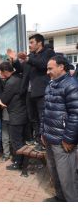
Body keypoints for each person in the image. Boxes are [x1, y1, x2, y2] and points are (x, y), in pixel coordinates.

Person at [7, 33, 56, 152]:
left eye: (31, 43)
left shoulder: (48, 53)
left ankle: (45, 142)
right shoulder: (31, 56)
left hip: (42, 92)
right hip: (29, 92)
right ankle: (39, 140)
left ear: (39, 43)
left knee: (43, 117)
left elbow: (44, 65)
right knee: (33, 118)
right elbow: (21, 69)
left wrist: (28, 59)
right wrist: (14, 60)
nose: (29, 45)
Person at [41, 55, 78, 202]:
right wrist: (42, 132)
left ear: (61, 67)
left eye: (50, 68)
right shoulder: (50, 85)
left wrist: (69, 139)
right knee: (55, 173)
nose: (47, 71)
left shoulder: (71, 85)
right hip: (49, 138)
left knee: (67, 177)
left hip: (63, 141)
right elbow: (44, 111)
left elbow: (76, 114)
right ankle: (60, 198)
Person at [0, 61, 28, 171]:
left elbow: (4, 99)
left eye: (1, 72)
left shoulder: (10, 82)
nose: (1, 74)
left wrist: (0, 101)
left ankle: (18, 163)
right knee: (23, 140)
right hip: (23, 114)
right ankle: (23, 161)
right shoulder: (19, 77)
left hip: (16, 116)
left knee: (16, 141)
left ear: (5, 72)